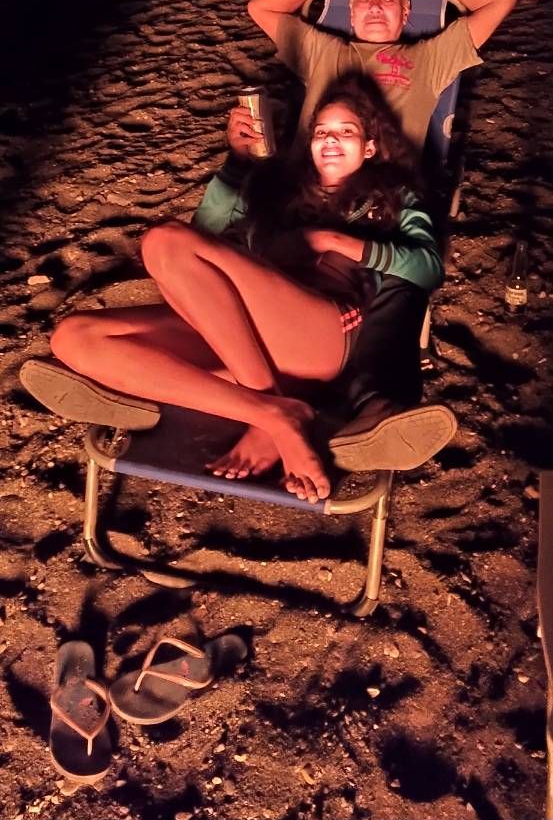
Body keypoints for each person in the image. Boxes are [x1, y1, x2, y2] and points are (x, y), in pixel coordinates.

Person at [21, 74, 449, 506]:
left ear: (370, 147)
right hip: (240, 334)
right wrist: (238, 163)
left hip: (321, 332)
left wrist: (332, 240)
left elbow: (427, 267)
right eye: (321, 132)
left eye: (346, 131)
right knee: (73, 336)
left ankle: (227, 403)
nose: (331, 140)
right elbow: (205, 233)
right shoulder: (278, 189)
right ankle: (273, 412)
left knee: (163, 240)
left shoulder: (391, 198)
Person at [246, 0, 516, 148]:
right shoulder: (319, 49)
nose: (375, 7)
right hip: (305, 188)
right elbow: (260, 8)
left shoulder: (431, 58)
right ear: (352, 13)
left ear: (405, 12)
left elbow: (502, 0)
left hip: (382, 194)